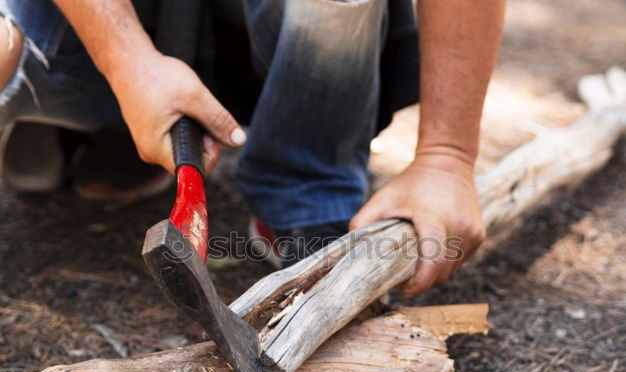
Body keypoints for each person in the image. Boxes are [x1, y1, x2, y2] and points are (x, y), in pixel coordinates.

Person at [0, 0, 504, 296]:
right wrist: (126, 62)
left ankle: (306, 183)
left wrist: (447, 155)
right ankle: (106, 128)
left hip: (288, 46)